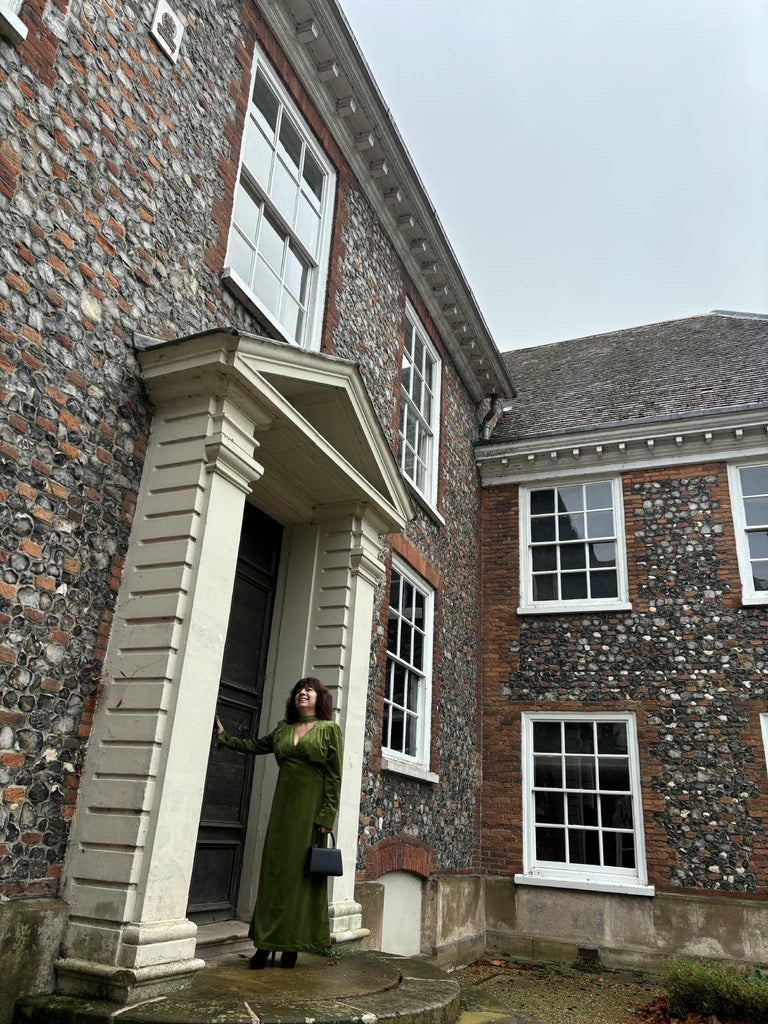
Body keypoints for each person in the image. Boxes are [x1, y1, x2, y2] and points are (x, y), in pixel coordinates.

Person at [215, 677, 342, 969]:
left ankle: (292, 945)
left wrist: (327, 815)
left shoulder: (329, 730)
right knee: (275, 876)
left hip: (311, 815)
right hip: (282, 811)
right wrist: (225, 738)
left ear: (319, 698)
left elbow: (334, 776)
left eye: (309, 689)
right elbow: (255, 745)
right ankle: (264, 944)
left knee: (300, 880)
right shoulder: (283, 729)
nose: (302, 692)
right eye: (299, 689)